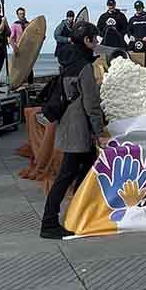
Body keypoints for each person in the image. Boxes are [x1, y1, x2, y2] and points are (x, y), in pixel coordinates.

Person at [40, 21, 105, 239]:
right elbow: (91, 104)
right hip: (78, 130)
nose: (96, 43)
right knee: (65, 177)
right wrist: (99, 132)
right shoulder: (85, 67)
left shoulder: (69, 61)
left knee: (86, 171)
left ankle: (78, 214)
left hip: (69, 126)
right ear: (86, 40)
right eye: (94, 39)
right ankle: (48, 223)